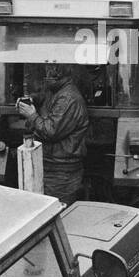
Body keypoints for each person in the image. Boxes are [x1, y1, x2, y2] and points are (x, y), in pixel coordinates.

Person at [16, 63, 89, 205]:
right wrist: (31, 100)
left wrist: (31, 115)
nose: (46, 73)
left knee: (56, 210)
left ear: (57, 71)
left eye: (49, 69)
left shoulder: (68, 98)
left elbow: (50, 131)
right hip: (52, 166)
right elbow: (44, 96)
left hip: (61, 172)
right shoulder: (58, 90)